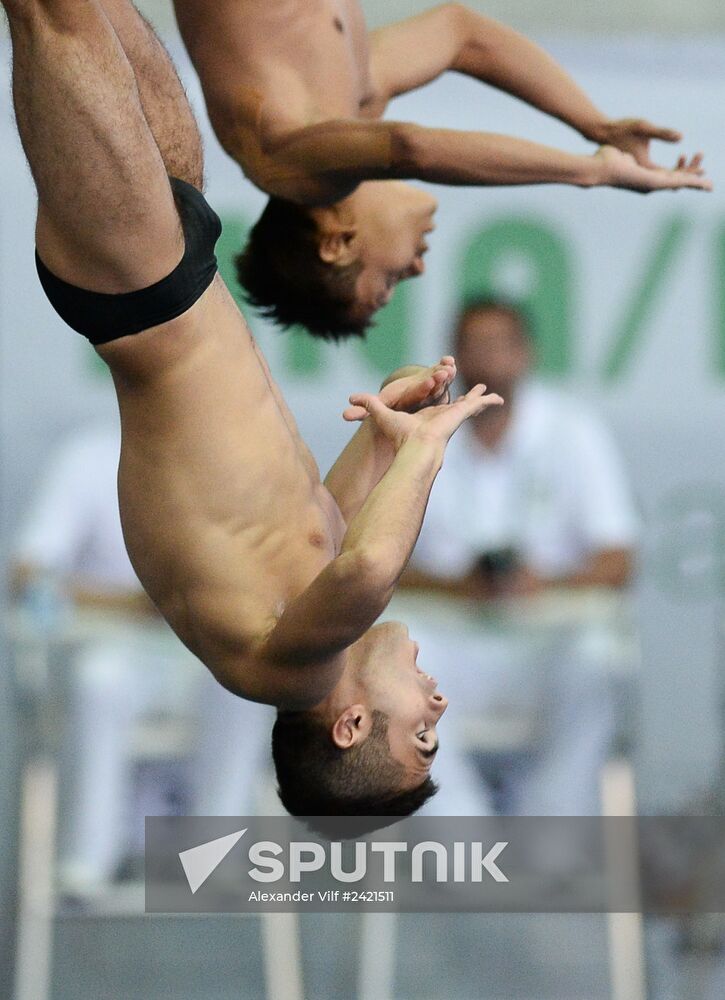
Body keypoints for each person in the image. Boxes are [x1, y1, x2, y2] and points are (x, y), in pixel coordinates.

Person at [1, 0, 503, 829]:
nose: (438, 705)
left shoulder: (289, 671)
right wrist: (392, 428)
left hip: (136, 286)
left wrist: (425, 447)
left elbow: (366, 571)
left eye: (422, 734)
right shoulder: (302, 627)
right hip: (173, 266)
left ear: (349, 726)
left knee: (54, 15)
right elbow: (332, 526)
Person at [172, 0, 711, 339]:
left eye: (389, 282)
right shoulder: (343, 103)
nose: (418, 269)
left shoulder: (291, 167)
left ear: (336, 243)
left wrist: (592, 170)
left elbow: (413, 148)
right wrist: (596, 126)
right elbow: (461, 34)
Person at [400, 298, 639, 817]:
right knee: (393, 659)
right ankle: (460, 834)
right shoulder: (419, 435)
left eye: (501, 344)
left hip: (544, 640)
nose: (489, 358)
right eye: (476, 345)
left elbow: (618, 560)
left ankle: (548, 832)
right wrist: (455, 588)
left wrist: (543, 583)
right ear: (455, 356)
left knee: (597, 658)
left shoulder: (573, 431)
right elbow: (376, 564)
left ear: (527, 353)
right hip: (453, 647)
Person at [9, 424, 273, 891]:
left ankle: (215, 850)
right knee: (101, 678)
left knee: (246, 682)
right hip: (119, 648)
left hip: (199, 655)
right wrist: (136, 604)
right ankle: (90, 859)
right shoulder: (89, 459)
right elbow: (29, 577)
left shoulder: (234, 465)